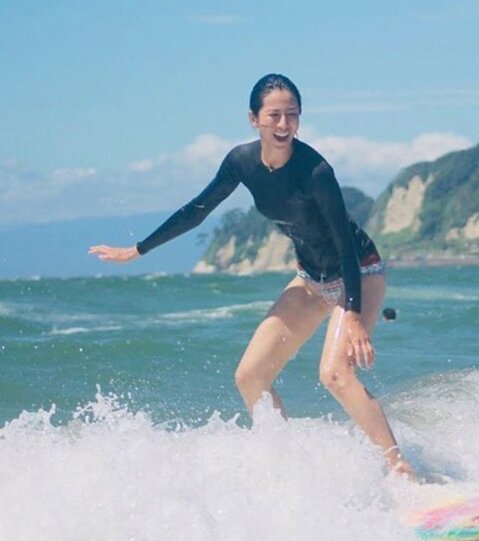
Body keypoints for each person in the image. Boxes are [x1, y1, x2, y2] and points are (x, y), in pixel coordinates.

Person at [89, 73, 414, 477]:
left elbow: (344, 245)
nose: (284, 124)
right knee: (250, 377)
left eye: (292, 114)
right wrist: (138, 250)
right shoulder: (241, 163)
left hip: (359, 273)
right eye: (274, 115)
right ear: (253, 119)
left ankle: (400, 468)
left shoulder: (316, 171)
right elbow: (197, 211)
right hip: (311, 279)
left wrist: (352, 314)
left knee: (334, 374)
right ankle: (290, 467)